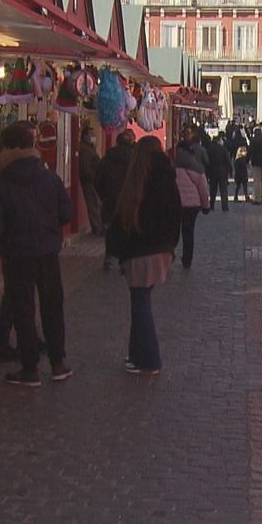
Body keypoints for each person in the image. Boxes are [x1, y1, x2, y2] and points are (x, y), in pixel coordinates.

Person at [0, 121, 73, 387]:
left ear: (7, 147)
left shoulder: (2, 180)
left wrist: (7, 236)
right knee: (52, 306)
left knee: (23, 309)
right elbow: (66, 213)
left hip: (17, 255)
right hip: (47, 252)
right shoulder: (49, 177)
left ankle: (30, 368)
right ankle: (58, 363)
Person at [106, 136, 180, 375]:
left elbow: (122, 220)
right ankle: (137, 354)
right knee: (141, 300)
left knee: (140, 304)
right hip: (161, 249)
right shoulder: (168, 177)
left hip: (139, 250)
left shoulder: (137, 179)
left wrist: (118, 250)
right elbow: (175, 215)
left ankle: (149, 359)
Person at [95, 129, 136, 270]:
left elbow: (98, 179)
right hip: (128, 200)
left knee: (110, 229)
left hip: (110, 199)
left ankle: (108, 256)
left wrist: (103, 195)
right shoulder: (134, 159)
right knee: (125, 228)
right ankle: (124, 258)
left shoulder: (107, 158)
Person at [173, 138, 210, 269]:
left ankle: (170, 253)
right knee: (188, 232)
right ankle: (187, 259)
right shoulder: (198, 167)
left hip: (175, 203)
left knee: (173, 229)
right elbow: (203, 189)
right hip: (192, 205)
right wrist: (206, 206)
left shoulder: (173, 165)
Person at [78, 126, 103, 236]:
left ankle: (99, 226)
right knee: (93, 204)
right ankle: (97, 228)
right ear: (85, 136)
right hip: (89, 180)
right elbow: (85, 167)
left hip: (94, 179)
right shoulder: (84, 149)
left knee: (96, 203)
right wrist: (92, 177)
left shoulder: (90, 148)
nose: (94, 137)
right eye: (91, 135)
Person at [204, 134, 232, 212]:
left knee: (213, 189)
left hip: (212, 171)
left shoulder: (209, 149)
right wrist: (230, 171)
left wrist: (206, 173)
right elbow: (228, 160)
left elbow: (206, 161)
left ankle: (212, 205)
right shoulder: (223, 149)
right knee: (223, 189)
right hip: (222, 172)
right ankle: (224, 206)